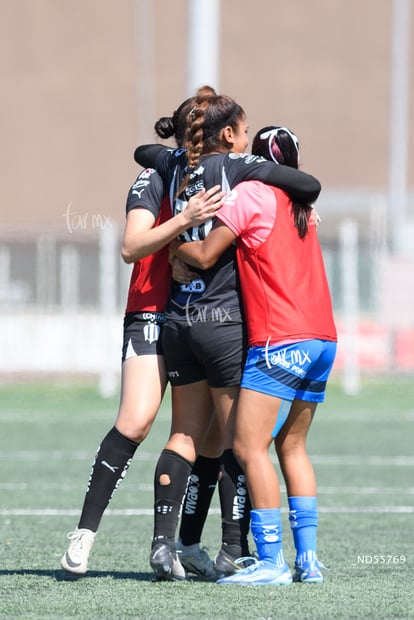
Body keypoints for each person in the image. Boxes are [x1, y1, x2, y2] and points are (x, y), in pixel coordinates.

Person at [133, 88, 322, 581]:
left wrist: (174, 238)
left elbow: (144, 153)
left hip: (180, 320)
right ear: (231, 136)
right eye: (240, 131)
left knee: (188, 436)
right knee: (249, 444)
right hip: (238, 326)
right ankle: (250, 553)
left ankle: (168, 544)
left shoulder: (172, 167)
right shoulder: (249, 177)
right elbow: (307, 182)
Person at [60, 96, 225, 579]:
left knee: (209, 438)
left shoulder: (222, 175)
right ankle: (84, 536)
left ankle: (179, 546)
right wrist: (182, 221)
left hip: (205, 317)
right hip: (153, 312)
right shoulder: (157, 175)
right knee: (135, 422)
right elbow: (131, 246)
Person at [170, 125, 337, 585]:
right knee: (294, 447)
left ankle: (271, 562)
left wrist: (172, 239)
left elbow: (204, 255)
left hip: (279, 339)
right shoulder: (304, 206)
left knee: (246, 446)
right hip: (322, 338)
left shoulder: (251, 195)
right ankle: (308, 561)